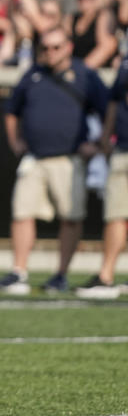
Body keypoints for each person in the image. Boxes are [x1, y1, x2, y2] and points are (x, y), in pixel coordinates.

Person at [0, 26, 108, 296]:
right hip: (35, 157)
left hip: (68, 157)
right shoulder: (33, 74)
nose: (49, 53)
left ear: (68, 47)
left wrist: (100, 144)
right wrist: (14, 141)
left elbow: (107, 110)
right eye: (45, 48)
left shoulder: (85, 76)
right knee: (22, 212)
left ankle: (61, 274)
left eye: (56, 47)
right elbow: (11, 110)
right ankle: (18, 272)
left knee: (71, 216)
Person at [76, 57, 128, 299]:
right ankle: (105, 276)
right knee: (116, 214)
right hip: (123, 149)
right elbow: (115, 100)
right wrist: (106, 136)